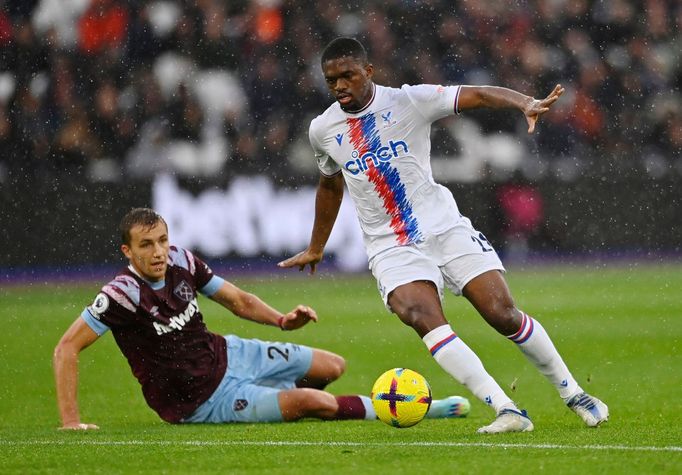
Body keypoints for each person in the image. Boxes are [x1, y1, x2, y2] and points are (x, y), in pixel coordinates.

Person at [278, 37, 608, 434]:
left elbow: (480, 95)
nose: (339, 86)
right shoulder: (323, 129)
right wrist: (317, 247)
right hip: (390, 245)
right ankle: (507, 409)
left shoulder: (410, 100)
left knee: (502, 313)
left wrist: (523, 102)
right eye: (331, 80)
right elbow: (330, 185)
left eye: (347, 75)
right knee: (421, 315)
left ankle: (574, 393)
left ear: (369, 71)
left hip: (444, 227)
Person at [53, 207, 468, 429]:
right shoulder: (120, 296)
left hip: (230, 355)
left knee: (333, 366)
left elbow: (236, 300)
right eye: (146, 245)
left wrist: (282, 321)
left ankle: (275, 395)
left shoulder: (181, 260)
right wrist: (71, 422)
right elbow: (66, 348)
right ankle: (418, 408)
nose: (159, 251)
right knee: (314, 400)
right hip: (198, 401)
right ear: (127, 252)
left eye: (162, 240)